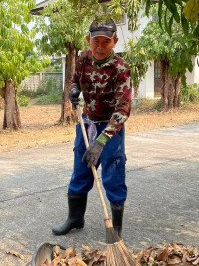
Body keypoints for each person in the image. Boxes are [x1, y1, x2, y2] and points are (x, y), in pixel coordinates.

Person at [52, 19, 132, 238]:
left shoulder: (121, 68)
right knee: (81, 169)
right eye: (95, 40)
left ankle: (115, 231)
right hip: (86, 122)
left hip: (110, 127)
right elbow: (74, 80)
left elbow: (122, 110)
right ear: (88, 40)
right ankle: (75, 218)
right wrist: (73, 91)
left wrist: (101, 142)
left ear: (114, 41)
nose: (99, 46)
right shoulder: (83, 58)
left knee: (113, 173)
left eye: (105, 41)